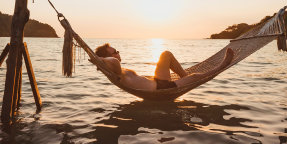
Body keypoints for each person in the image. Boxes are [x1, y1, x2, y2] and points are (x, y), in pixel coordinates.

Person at [94, 43, 234, 91]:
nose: (118, 53)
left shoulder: (117, 69)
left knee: (166, 54)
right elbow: (114, 62)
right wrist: (103, 59)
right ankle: (222, 65)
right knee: (195, 77)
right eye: (115, 52)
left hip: (157, 82)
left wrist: (103, 59)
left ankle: (184, 78)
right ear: (108, 57)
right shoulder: (116, 70)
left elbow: (113, 61)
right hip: (161, 88)